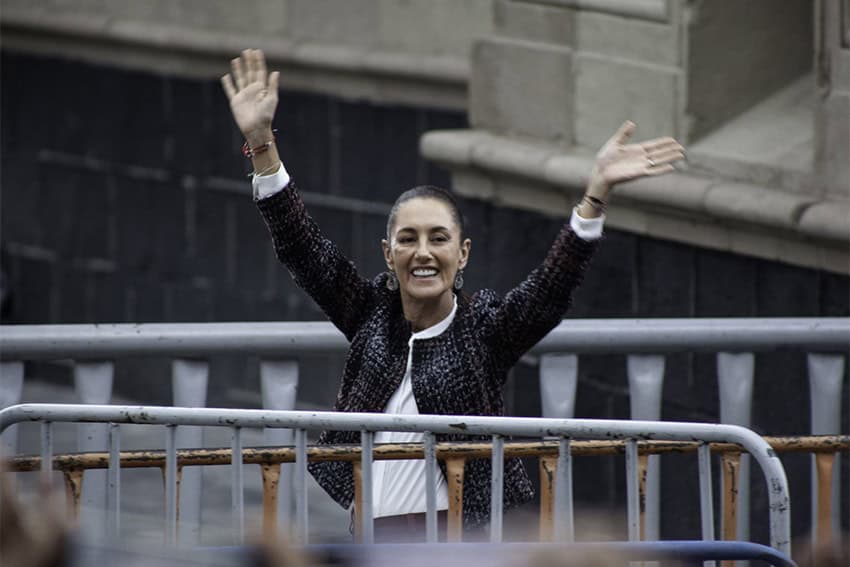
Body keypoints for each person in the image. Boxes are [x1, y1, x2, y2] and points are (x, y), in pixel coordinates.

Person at [221, 49, 685, 542]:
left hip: (459, 540)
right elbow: (302, 247)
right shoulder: (370, 314)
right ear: (388, 254)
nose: (423, 252)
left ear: (462, 254)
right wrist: (262, 143)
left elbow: (551, 288)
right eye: (408, 239)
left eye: (438, 238)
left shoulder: (484, 330)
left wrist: (596, 193)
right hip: (371, 541)